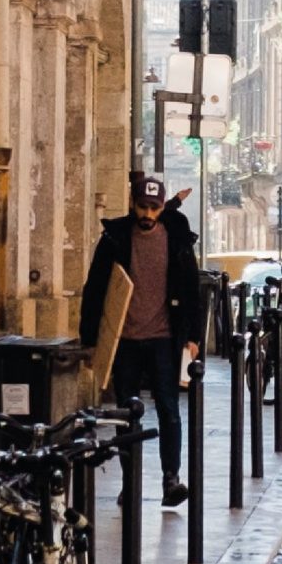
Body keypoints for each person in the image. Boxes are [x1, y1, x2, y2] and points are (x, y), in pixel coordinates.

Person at [79, 173, 203, 505]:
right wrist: (91, 340)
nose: (148, 214)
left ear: (162, 207)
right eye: (142, 207)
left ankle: (170, 479)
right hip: (125, 341)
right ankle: (130, 482)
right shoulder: (115, 238)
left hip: (164, 338)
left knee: (169, 409)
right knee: (125, 412)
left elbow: (192, 289)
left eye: (154, 207)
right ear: (133, 205)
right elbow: (95, 290)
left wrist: (194, 337)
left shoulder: (176, 240)